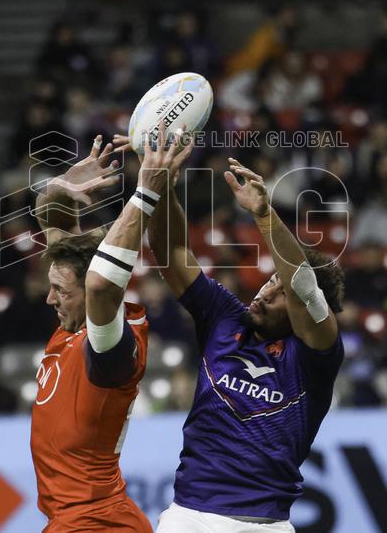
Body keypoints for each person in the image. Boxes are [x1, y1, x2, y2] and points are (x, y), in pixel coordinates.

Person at [116, 131, 345, 531]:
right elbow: (171, 253)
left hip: (265, 525)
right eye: (268, 282)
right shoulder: (226, 318)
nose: (264, 292)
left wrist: (264, 214)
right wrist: (163, 184)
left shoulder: (316, 354)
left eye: (279, 292)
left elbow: (303, 287)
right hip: (190, 517)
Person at [29, 130, 192, 532]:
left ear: (88, 293)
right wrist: (59, 189)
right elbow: (53, 225)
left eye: (61, 291)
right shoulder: (73, 320)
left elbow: (103, 283)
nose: (50, 299)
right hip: (74, 520)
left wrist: (146, 192)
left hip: (97, 524)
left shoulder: (112, 347)